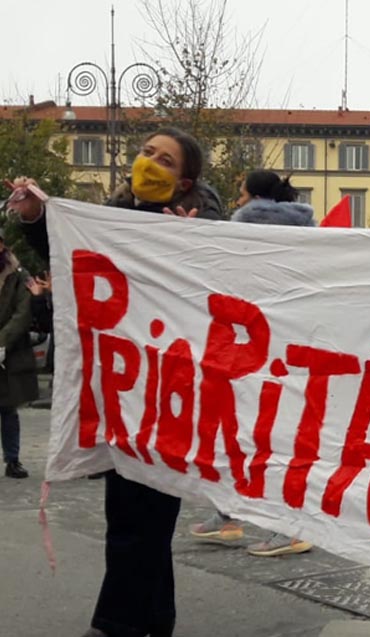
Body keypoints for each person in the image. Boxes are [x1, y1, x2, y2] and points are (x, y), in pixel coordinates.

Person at [8, 126, 222, 637]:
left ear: (184, 178)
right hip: (121, 392)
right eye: (146, 152)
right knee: (133, 512)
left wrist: (195, 246)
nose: (149, 162)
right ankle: (154, 618)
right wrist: (38, 216)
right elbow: (68, 248)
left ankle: (115, 624)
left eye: (163, 159)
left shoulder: (202, 225)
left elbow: (219, 291)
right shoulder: (111, 217)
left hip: (170, 393)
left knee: (140, 514)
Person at [189, 169, 314, 557]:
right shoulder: (308, 233)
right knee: (271, 439)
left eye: (240, 193)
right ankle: (241, 517)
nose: (237, 200)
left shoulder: (240, 233)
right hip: (289, 351)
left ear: (252, 198)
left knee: (246, 438)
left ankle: (284, 526)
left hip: (248, 353)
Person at [0, 228, 38, 479]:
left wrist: (1, 343)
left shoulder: (19, 274)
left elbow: (22, 313)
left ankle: (12, 460)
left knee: (7, 408)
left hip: (9, 352)